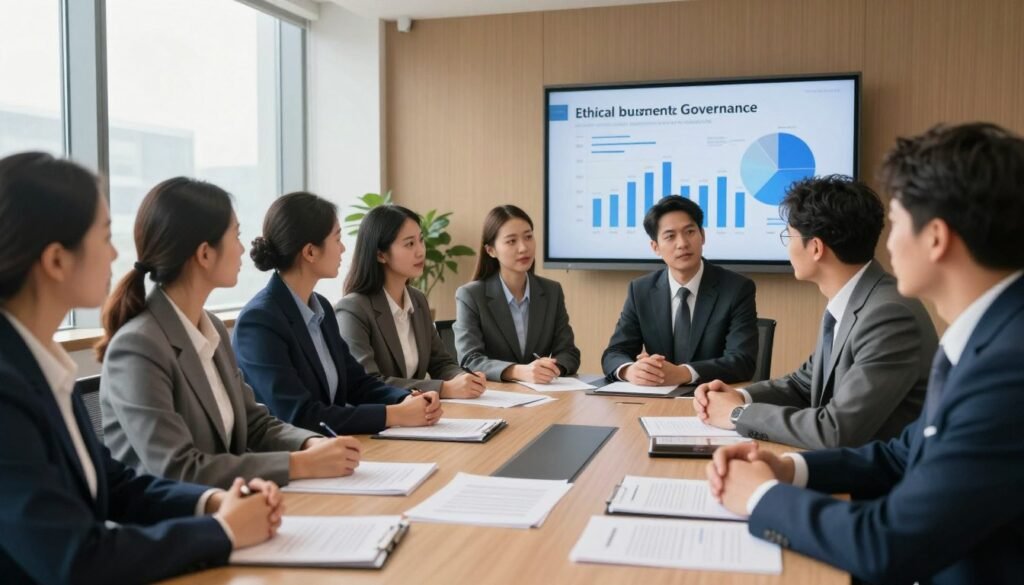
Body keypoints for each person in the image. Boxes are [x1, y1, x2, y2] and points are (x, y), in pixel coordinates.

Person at [707, 122, 1024, 584]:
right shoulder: (988, 337)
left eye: (896, 224)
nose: (888, 244)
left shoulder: (1008, 366)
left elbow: (888, 545)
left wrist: (761, 498)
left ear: (935, 237)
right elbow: (903, 453)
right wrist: (789, 468)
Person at [0, 152, 281, 584]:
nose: (116, 253)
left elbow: (114, 484)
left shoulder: (39, 364)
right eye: (105, 236)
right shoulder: (7, 386)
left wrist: (211, 503)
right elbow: (75, 559)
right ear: (56, 261)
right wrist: (222, 531)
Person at [98, 180, 362, 489]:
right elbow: (177, 468)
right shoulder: (139, 346)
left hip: (234, 507)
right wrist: (297, 464)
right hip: (179, 523)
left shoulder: (211, 329)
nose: (241, 248)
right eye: (235, 235)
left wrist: (310, 444)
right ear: (205, 254)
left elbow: (254, 424)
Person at [694, 175, 937, 449]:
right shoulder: (853, 300)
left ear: (816, 248)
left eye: (790, 236)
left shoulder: (889, 316)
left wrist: (738, 415)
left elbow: (836, 430)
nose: (788, 247)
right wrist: (740, 397)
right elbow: (803, 384)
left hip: (876, 482)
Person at [233, 192, 442, 435]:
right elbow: (299, 415)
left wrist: (407, 399)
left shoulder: (320, 307)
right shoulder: (260, 322)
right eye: (337, 238)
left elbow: (357, 382)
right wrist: (393, 414)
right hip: (296, 460)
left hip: (335, 447)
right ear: (310, 252)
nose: (343, 248)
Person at [602, 195, 757, 386]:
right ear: (655, 247)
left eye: (690, 231)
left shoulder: (736, 288)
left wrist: (684, 373)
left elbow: (742, 361)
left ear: (703, 235)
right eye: (670, 236)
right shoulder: (640, 290)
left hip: (712, 397)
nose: (682, 243)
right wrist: (630, 370)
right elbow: (614, 352)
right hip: (656, 401)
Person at [337, 204, 486, 397]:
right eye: (409, 244)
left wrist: (464, 378)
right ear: (380, 254)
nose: (421, 251)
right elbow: (369, 383)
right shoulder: (353, 309)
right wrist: (444, 388)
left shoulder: (417, 300)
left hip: (420, 416)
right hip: (381, 421)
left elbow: (440, 362)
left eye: (421, 241)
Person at [454, 205, 580, 383]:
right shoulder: (471, 295)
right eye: (511, 241)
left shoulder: (552, 291)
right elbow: (470, 360)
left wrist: (551, 369)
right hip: (494, 398)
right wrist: (517, 371)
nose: (523, 248)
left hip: (545, 397)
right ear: (491, 250)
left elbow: (569, 352)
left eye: (528, 237)